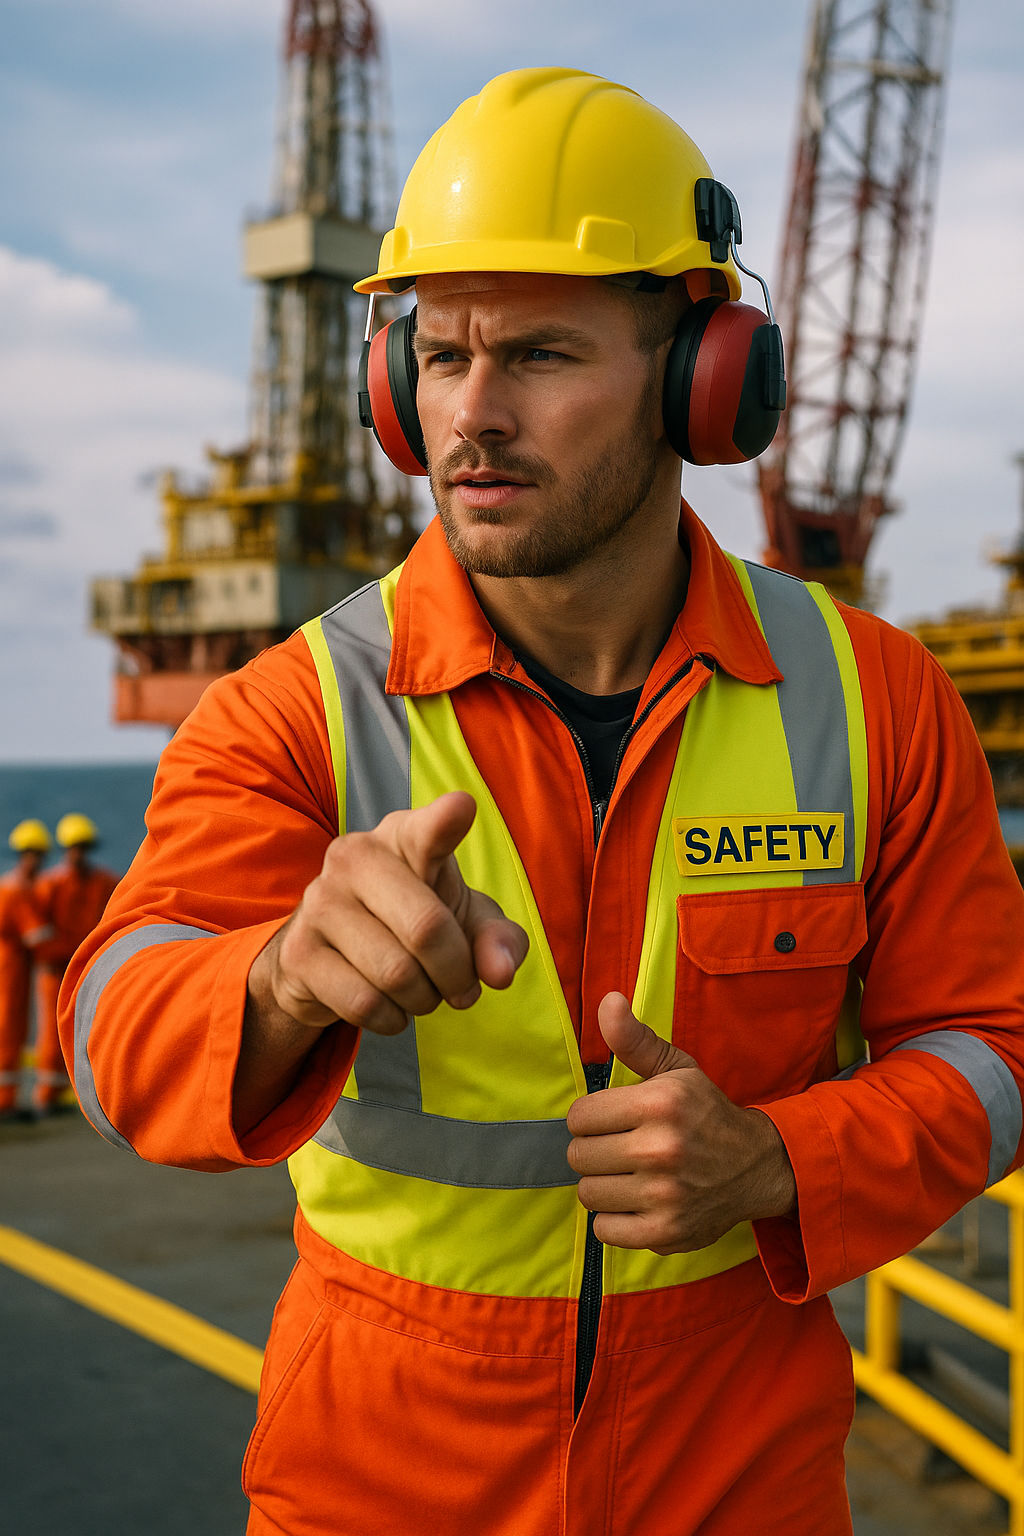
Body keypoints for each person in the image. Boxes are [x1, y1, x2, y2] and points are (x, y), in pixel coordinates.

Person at [60, 68, 1024, 1536]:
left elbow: (994, 1048)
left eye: (543, 355)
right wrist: (274, 982)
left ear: (707, 380)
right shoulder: (296, 708)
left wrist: (782, 1160)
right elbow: (113, 1028)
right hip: (380, 1489)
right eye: (439, 357)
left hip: (737, 1487)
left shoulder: (874, 701)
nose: (474, 417)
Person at [33, 814, 117, 1113]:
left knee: (90, 1032)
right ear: (65, 848)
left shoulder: (105, 881)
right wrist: (51, 956)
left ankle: (84, 1096)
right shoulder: (50, 884)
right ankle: (47, 1097)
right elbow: (37, 929)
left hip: (90, 970)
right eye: (74, 847)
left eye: (83, 846)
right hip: (56, 972)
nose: (79, 853)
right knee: (51, 1035)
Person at [0, 820, 51, 1120]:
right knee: (7, 1030)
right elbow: (37, 935)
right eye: (33, 853)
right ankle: (4, 1103)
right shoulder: (16, 889)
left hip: (16, 966)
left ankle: (8, 1099)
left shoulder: (19, 885)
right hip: (9, 967)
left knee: (14, 1030)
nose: (37, 860)